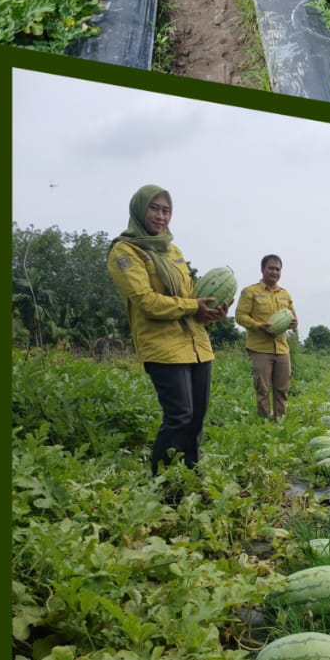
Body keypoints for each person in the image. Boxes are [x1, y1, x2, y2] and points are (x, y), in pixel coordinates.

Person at [106, 186, 226, 480]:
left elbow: (191, 300)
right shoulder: (125, 251)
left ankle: (190, 476)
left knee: (196, 418)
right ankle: (161, 481)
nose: (161, 216)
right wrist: (191, 305)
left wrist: (209, 313)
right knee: (179, 416)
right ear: (140, 209)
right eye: (155, 208)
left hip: (197, 344)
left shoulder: (174, 250)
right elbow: (146, 302)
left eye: (166, 210)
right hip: (163, 347)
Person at [234, 255, 297, 420]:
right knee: (262, 389)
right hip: (260, 348)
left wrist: (294, 323)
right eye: (271, 268)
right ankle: (263, 423)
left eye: (277, 269)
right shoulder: (250, 292)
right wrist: (258, 326)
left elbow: (294, 319)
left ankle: (279, 421)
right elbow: (240, 316)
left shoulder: (285, 294)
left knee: (282, 388)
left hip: (282, 349)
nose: (274, 272)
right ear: (262, 270)